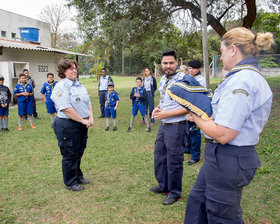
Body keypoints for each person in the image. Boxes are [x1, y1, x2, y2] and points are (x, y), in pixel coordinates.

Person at [184, 27, 274, 223]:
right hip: (220, 157)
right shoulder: (240, 78)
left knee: (222, 216)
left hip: (229, 157)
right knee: (198, 201)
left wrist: (196, 116)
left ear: (233, 49)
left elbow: (224, 134)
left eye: (222, 51)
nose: (221, 58)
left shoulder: (242, 81)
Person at [149, 49, 188, 205]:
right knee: (160, 156)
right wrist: (158, 107)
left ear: (177, 62)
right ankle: (164, 185)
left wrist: (167, 114)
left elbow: (190, 107)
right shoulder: (163, 79)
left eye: (171, 62)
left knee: (174, 161)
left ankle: (174, 192)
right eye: (165, 63)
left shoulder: (184, 80)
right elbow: (165, 99)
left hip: (177, 126)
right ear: (161, 64)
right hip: (164, 126)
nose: (168, 66)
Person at [51, 59, 94, 191]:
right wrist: (82, 120)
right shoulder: (61, 86)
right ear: (63, 71)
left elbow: (88, 103)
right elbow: (66, 109)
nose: (74, 70)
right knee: (70, 153)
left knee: (79, 151)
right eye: (70, 68)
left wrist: (90, 117)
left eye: (75, 68)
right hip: (67, 124)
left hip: (81, 124)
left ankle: (77, 176)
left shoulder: (79, 86)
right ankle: (70, 182)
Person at [184, 60, 206, 165]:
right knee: (189, 130)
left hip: (196, 109)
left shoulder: (200, 80)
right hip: (189, 108)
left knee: (195, 132)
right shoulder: (192, 78)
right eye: (190, 68)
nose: (191, 70)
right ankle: (188, 148)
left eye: (193, 68)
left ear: (198, 69)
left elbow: (197, 98)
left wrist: (193, 114)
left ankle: (195, 156)